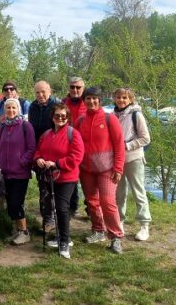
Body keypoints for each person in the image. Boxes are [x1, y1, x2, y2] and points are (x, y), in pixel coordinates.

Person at [74, 87, 125, 254]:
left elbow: (119, 145)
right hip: (86, 169)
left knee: (108, 202)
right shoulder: (80, 121)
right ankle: (97, 230)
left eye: (94, 98)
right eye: (88, 98)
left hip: (107, 169)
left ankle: (116, 236)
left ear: (100, 100)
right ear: (84, 101)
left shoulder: (110, 119)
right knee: (92, 201)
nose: (91, 101)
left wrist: (118, 167)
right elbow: (75, 144)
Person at [33, 103, 84, 259]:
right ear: (52, 117)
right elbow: (38, 151)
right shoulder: (46, 134)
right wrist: (39, 159)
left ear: (67, 117)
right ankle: (62, 236)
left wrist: (57, 164)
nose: (60, 118)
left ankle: (64, 241)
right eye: (57, 116)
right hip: (49, 177)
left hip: (66, 177)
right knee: (52, 206)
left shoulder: (73, 134)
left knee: (62, 208)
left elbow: (76, 156)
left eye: (63, 116)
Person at [113, 88, 152, 241]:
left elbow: (145, 138)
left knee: (138, 191)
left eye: (124, 97)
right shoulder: (113, 115)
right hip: (117, 160)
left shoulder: (137, 115)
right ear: (114, 99)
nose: (121, 100)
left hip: (134, 158)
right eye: (118, 97)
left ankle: (144, 225)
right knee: (119, 193)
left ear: (130, 99)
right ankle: (120, 221)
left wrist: (127, 146)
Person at [0, 98, 36, 245]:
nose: (11, 111)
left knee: (16, 202)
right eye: (8, 108)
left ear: (18, 109)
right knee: (10, 202)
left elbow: (31, 148)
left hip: (20, 173)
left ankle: (24, 232)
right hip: (6, 173)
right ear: (5, 110)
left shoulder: (26, 126)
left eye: (14, 108)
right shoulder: (3, 127)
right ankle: (17, 230)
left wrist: (22, 162)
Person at [28, 80, 60, 232]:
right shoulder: (33, 107)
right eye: (37, 92)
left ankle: (58, 217)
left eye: (43, 92)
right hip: (38, 150)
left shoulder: (56, 106)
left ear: (50, 91)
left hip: (54, 149)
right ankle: (47, 219)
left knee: (56, 186)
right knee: (43, 186)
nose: (40, 95)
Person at [62, 77, 87, 218]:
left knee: (88, 180)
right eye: (72, 87)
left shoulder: (89, 102)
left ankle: (91, 209)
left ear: (83, 88)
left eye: (78, 87)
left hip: (87, 147)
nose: (75, 90)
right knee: (71, 178)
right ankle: (73, 206)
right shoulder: (63, 103)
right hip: (68, 146)